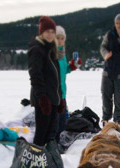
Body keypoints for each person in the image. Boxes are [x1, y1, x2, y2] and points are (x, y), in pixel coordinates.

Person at [28, 16, 64, 147]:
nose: (50, 34)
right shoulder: (37, 49)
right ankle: (36, 160)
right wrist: (42, 98)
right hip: (44, 100)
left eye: (52, 32)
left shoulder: (51, 49)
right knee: (41, 134)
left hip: (53, 98)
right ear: (41, 32)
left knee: (50, 134)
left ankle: (46, 160)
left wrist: (61, 98)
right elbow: (35, 76)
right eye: (47, 31)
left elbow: (56, 77)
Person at [51, 26, 81, 141]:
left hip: (62, 94)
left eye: (62, 38)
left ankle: (57, 146)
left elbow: (64, 71)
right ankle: (53, 146)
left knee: (62, 124)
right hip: (54, 96)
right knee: (55, 125)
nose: (60, 40)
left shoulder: (61, 54)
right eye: (57, 38)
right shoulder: (51, 54)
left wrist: (73, 66)